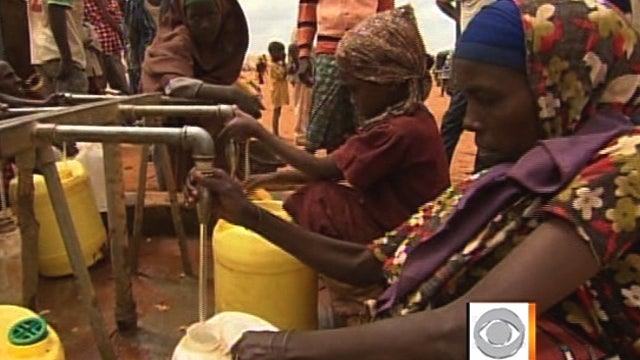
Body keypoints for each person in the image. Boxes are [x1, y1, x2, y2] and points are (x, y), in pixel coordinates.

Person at [191, 1, 640, 358]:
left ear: (559, 88)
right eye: (468, 99)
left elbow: (466, 330)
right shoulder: (516, 175)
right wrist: (247, 214)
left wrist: (287, 346)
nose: (471, 122)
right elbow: (372, 265)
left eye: (488, 99)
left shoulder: (623, 167)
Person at [215, 5, 450, 328]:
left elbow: (326, 169)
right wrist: (273, 176)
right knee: (318, 194)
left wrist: (259, 132)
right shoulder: (408, 119)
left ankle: (359, 295)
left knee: (318, 202)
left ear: (390, 83)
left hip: (404, 237)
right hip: (404, 223)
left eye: (357, 89)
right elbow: (339, 166)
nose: (352, 99)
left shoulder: (398, 131)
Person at [141, 0, 264, 173]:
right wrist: (232, 94)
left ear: (223, 14)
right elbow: (176, 86)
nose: (205, 24)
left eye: (211, 15)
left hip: (208, 127)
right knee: (181, 181)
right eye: (195, 18)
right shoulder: (176, 40)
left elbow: (221, 83)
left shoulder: (225, 39)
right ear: (184, 17)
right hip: (173, 128)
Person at [297, 0, 395, 153]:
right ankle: (316, 158)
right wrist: (303, 54)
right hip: (328, 49)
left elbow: (388, 17)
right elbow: (307, 12)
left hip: (366, 50)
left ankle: (362, 162)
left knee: (364, 109)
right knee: (323, 105)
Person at [436, 0, 496, 171]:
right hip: (471, 53)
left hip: (498, 52)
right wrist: (460, 20)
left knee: (491, 118)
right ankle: (437, 174)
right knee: (455, 117)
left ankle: (482, 175)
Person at [27, 0, 88, 95]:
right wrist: (66, 57)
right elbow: (56, 9)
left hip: (41, 54)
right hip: (62, 55)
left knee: (55, 106)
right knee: (73, 105)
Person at [84, 0, 130, 94]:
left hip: (112, 44)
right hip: (97, 46)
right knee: (99, 87)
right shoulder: (85, 2)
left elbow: (117, 17)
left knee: (121, 86)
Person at [288, 42, 312, 146]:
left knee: (301, 108)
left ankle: (302, 134)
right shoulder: (302, 61)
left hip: (300, 83)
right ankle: (301, 135)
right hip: (303, 84)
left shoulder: (296, 63)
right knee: (303, 109)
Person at [268, 41, 289, 138]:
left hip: (280, 90)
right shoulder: (273, 65)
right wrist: (284, 63)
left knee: (279, 111)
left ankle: (276, 132)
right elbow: (282, 75)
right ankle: (275, 133)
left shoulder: (278, 64)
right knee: (276, 111)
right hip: (276, 91)